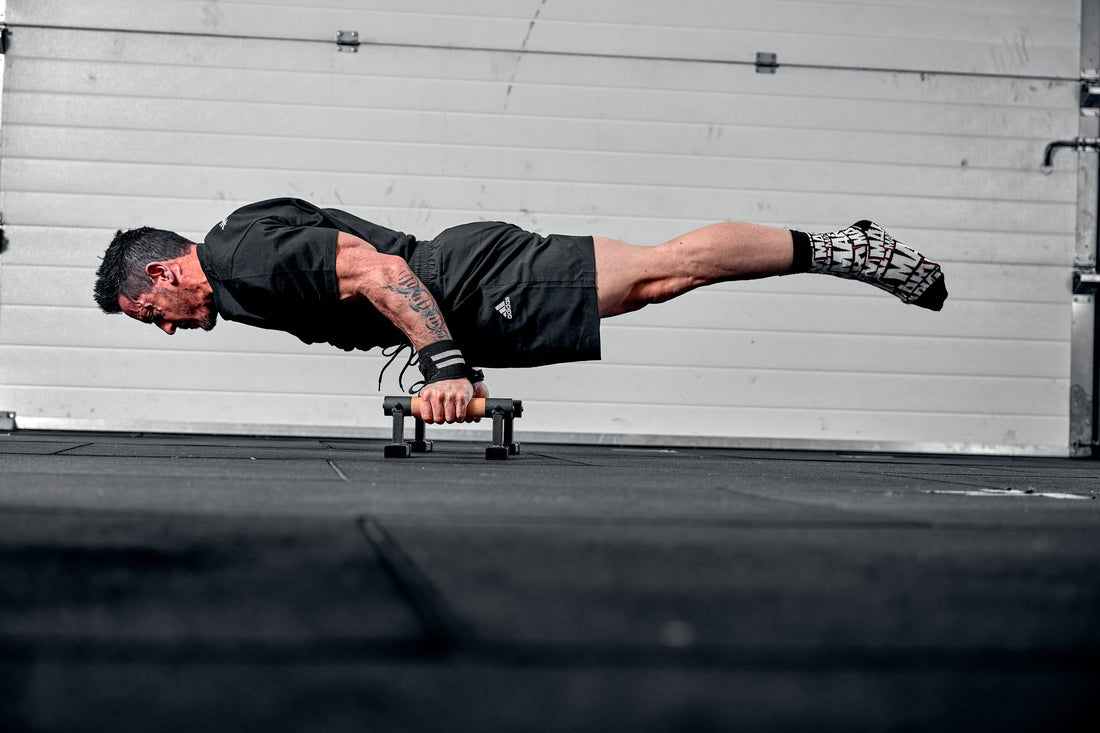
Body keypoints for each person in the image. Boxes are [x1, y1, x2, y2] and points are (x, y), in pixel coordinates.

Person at [93, 198, 947, 424]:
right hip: (464, 283)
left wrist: (447, 365)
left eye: (151, 313)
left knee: (664, 272)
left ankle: (843, 248)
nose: (165, 328)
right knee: (663, 280)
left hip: (462, 280)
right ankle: (837, 246)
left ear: (164, 271)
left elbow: (380, 269)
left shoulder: (241, 257)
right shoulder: (234, 258)